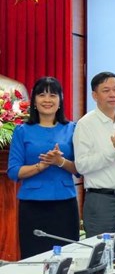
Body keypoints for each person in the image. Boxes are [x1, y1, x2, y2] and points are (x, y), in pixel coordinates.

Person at [8, 77, 79, 259]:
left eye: (53, 95)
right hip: (33, 206)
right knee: (34, 258)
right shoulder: (22, 131)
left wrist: (60, 161)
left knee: (67, 258)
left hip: (65, 204)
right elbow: (14, 171)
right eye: (42, 95)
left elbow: (79, 169)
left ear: (60, 100)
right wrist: (42, 165)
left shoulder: (72, 129)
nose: (47, 100)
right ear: (34, 100)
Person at [74, 72, 115, 237]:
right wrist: (113, 150)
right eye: (106, 90)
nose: (112, 94)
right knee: (103, 250)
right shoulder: (85, 124)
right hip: (102, 201)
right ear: (94, 95)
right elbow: (81, 166)